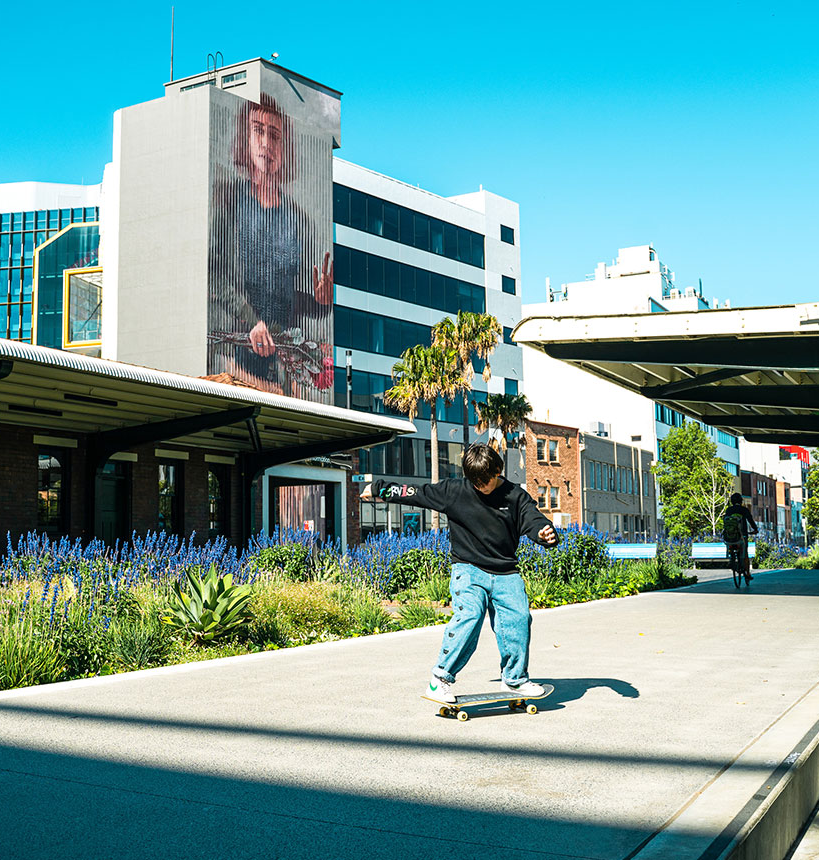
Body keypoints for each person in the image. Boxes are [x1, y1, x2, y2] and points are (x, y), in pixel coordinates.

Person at [361, 444, 558, 703]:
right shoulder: (455, 491)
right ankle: (440, 679)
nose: (479, 487)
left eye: (484, 482)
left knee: (519, 619)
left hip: (505, 571)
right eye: (474, 482)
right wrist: (378, 488)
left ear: (498, 471)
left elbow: (533, 519)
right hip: (468, 568)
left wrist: (545, 532)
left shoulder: (515, 496)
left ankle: (514, 680)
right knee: (470, 614)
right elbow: (415, 493)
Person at [208, 94, 333, 397]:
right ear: (245, 139)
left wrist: (320, 302)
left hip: (281, 369)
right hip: (233, 363)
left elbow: (288, 299)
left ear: (285, 147)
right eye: (258, 130)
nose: (266, 143)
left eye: (275, 135)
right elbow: (215, 276)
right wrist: (252, 321)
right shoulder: (227, 200)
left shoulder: (299, 220)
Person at [722, 493, 759, 582]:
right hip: (742, 535)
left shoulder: (729, 510)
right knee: (745, 553)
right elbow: (750, 520)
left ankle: (731, 558)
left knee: (731, 545)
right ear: (741, 501)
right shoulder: (744, 510)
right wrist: (755, 529)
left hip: (731, 535)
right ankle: (747, 573)